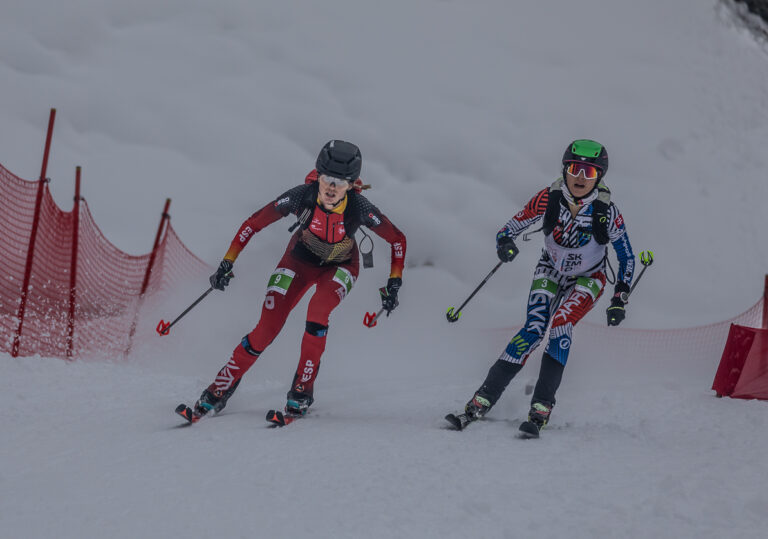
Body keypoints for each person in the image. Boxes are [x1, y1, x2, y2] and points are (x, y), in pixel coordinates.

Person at [189, 140, 406, 420]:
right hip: (299, 261)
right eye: (326, 180)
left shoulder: (360, 207)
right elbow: (253, 224)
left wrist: (394, 283)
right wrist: (227, 263)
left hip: (341, 266)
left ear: (352, 185)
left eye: (340, 183)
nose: (331, 188)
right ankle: (220, 388)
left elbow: (397, 239)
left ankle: (302, 391)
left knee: (318, 312)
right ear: (318, 176)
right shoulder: (300, 196)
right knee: (266, 329)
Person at [455, 139, 634, 436]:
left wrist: (620, 298)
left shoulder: (608, 212)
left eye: (589, 172)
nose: (580, 178)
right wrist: (504, 243)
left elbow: (626, 256)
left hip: (589, 278)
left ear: (599, 177)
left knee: (561, 325)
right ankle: (483, 397)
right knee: (533, 328)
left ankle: (541, 405)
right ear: (564, 170)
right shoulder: (547, 199)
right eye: (574, 169)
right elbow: (510, 227)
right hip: (550, 270)